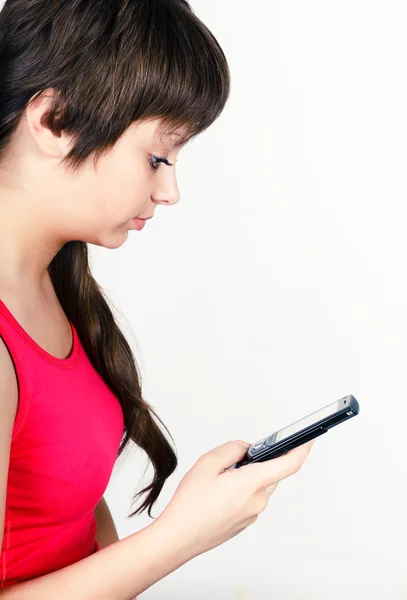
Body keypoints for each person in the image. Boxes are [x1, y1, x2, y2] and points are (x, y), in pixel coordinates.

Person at [0, 0, 313, 597]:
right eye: (157, 157)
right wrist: (181, 536)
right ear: (54, 121)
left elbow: (75, 523)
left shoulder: (55, 289)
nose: (169, 190)